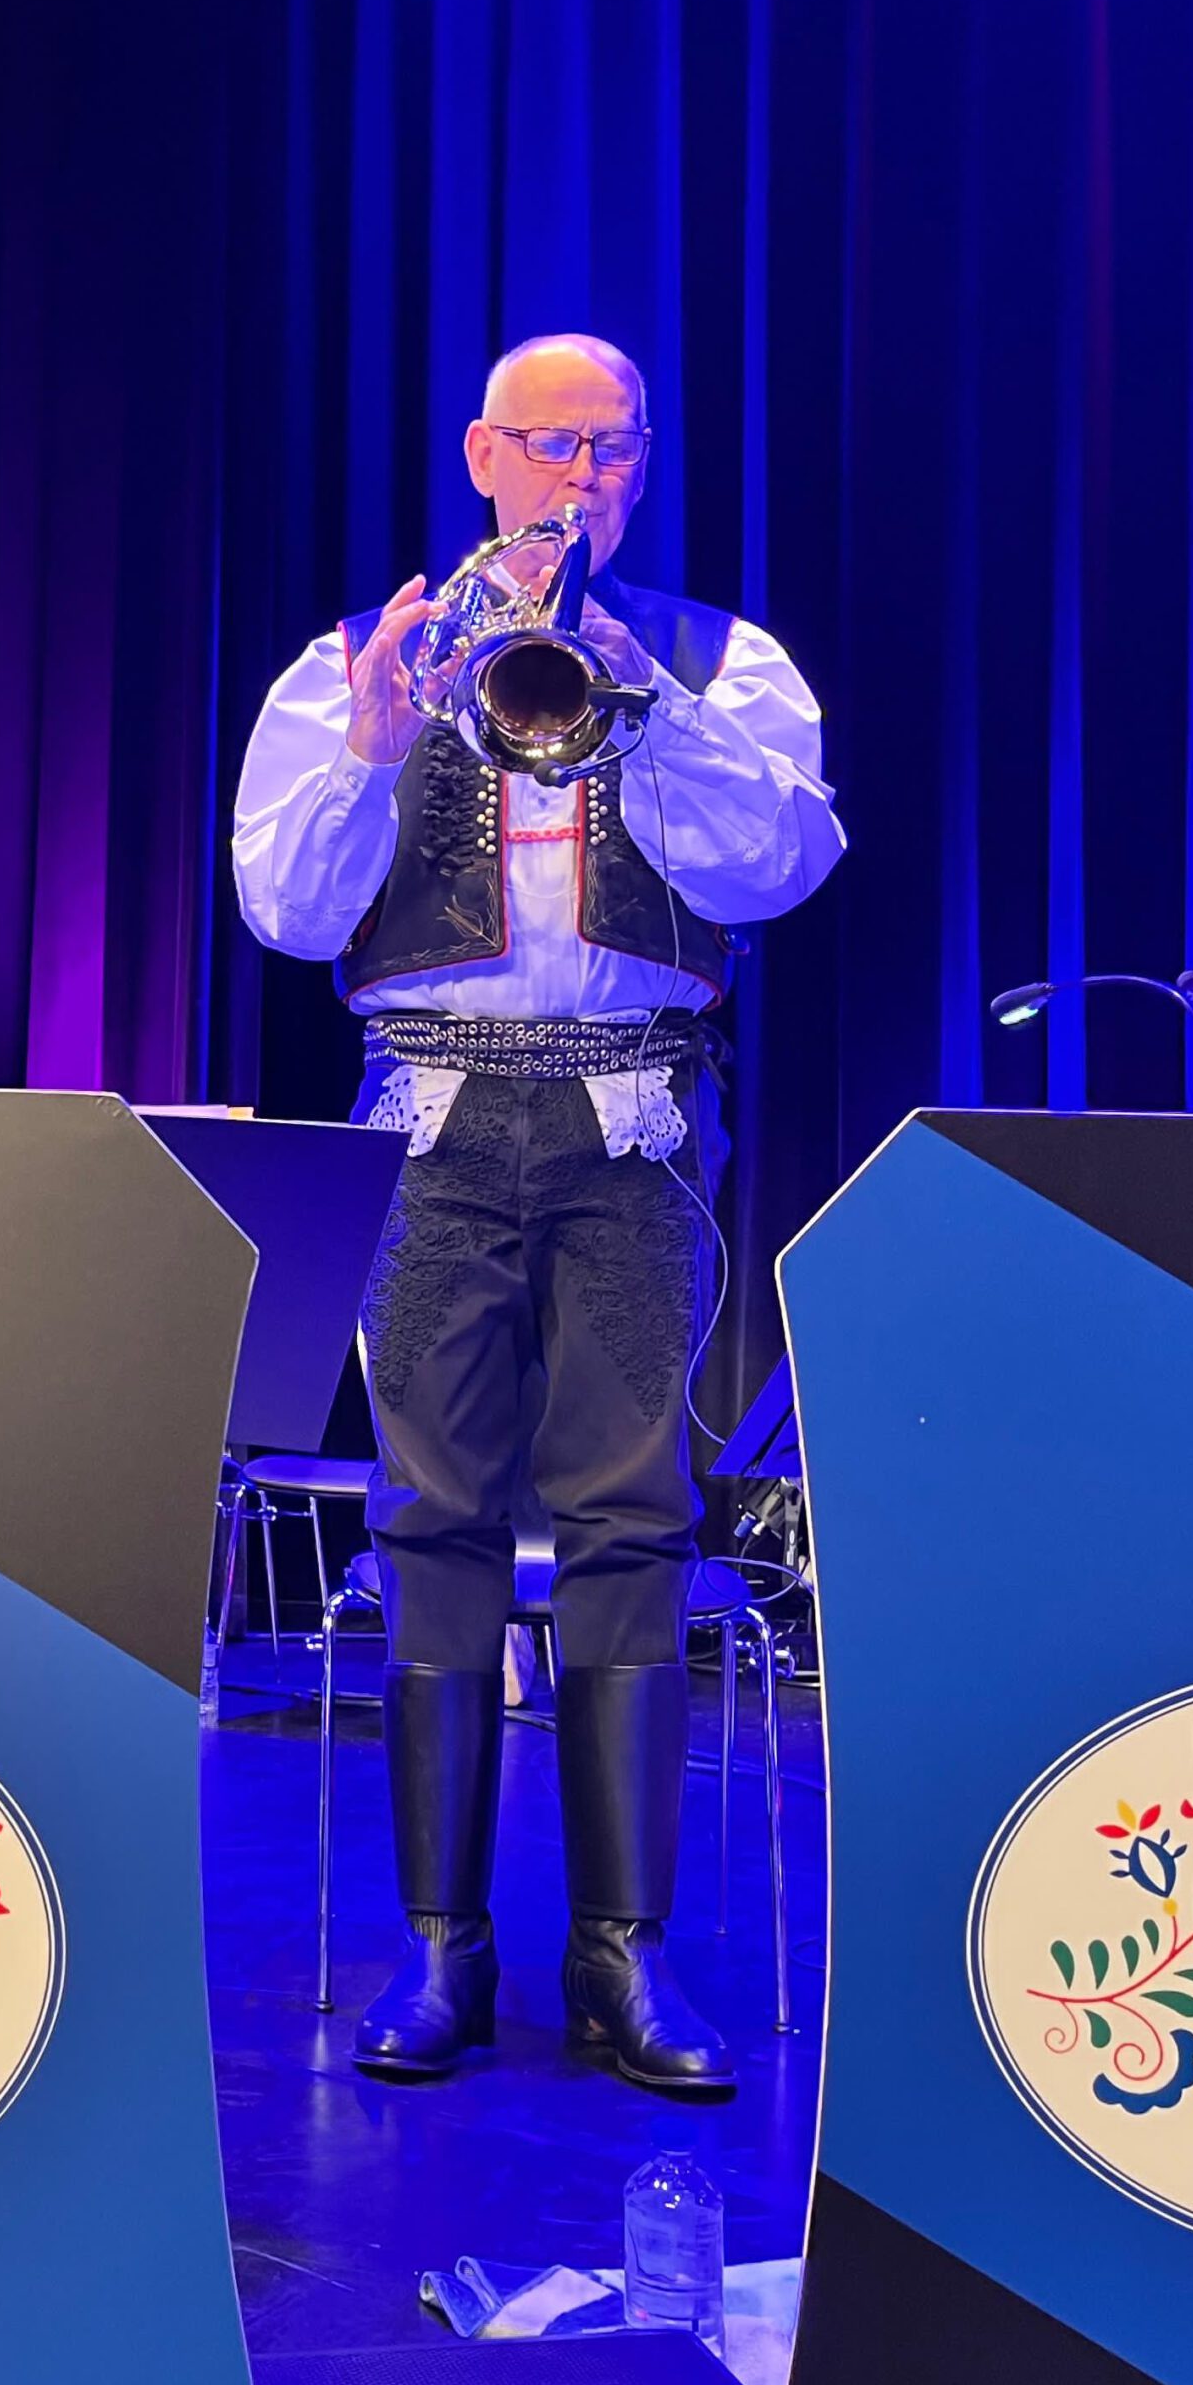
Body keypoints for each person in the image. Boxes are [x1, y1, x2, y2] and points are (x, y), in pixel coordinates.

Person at [234, 334, 844, 2094]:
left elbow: (778, 869)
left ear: (642, 467)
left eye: (612, 448)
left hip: (631, 1124)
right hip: (430, 1121)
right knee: (429, 1520)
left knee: (630, 1521)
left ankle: (619, 1953)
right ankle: (442, 1946)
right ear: (482, 457)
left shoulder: (722, 661)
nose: (580, 480)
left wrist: (645, 700)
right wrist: (369, 746)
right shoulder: (350, 660)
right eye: (550, 445)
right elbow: (286, 911)